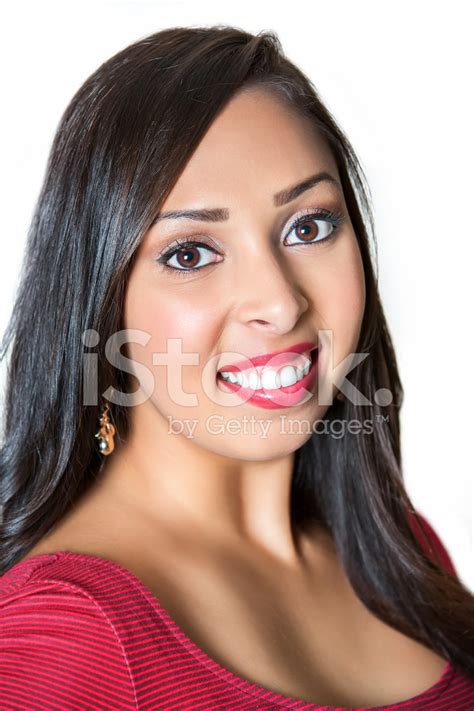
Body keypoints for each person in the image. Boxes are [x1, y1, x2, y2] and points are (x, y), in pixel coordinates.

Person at [0, 25, 473, 710]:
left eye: (307, 226)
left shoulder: (399, 548)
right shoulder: (65, 639)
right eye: (191, 253)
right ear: (99, 304)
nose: (280, 302)